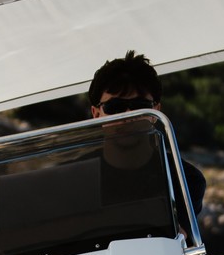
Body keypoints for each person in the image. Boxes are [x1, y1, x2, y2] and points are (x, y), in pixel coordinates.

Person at [85, 51, 209, 241]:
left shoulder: (186, 179)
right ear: (96, 114)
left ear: (155, 111)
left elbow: (176, 241)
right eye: (114, 107)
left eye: (139, 105)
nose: (128, 115)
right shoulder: (74, 177)